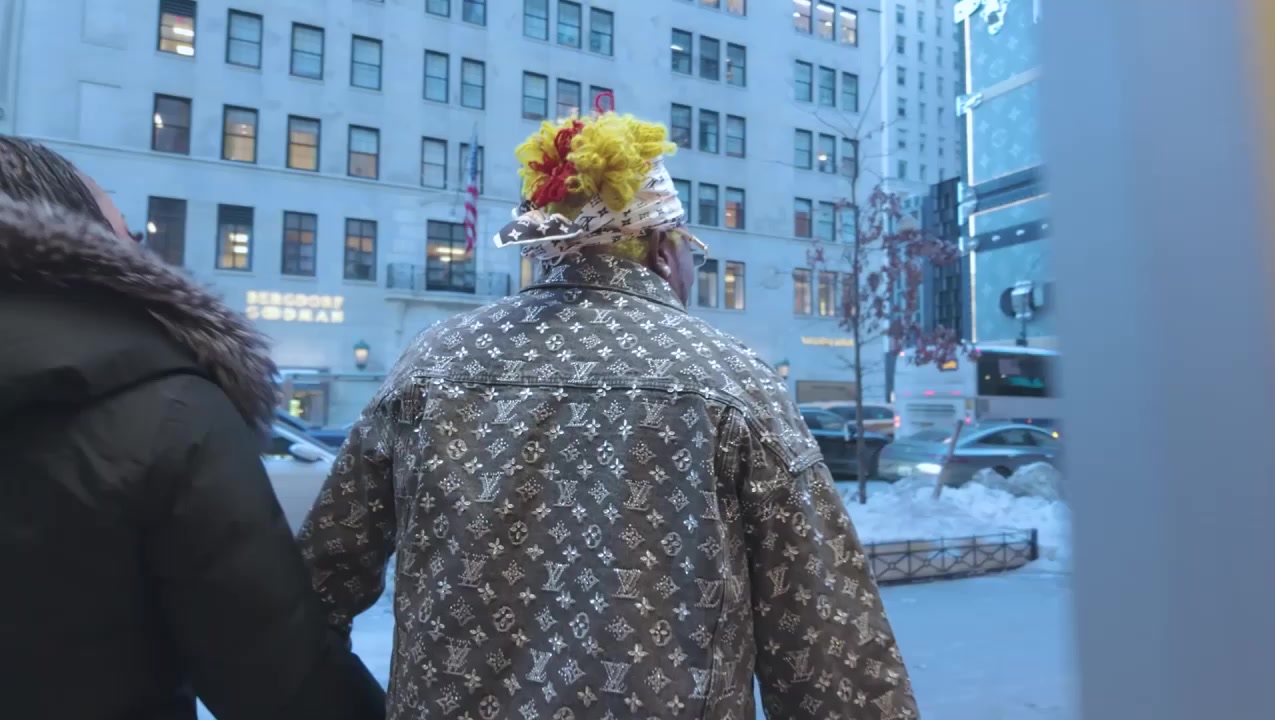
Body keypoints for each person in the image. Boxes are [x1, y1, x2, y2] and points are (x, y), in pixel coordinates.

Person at [298, 108, 919, 719]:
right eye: (693, 252)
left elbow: (310, 593)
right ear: (661, 248)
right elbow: (826, 646)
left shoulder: (430, 364)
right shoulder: (731, 379)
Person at [0, 136, 386, 720]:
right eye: (128, 231)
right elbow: (279, 678)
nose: (139, 245)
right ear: (80, 236)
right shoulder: (166, 405)